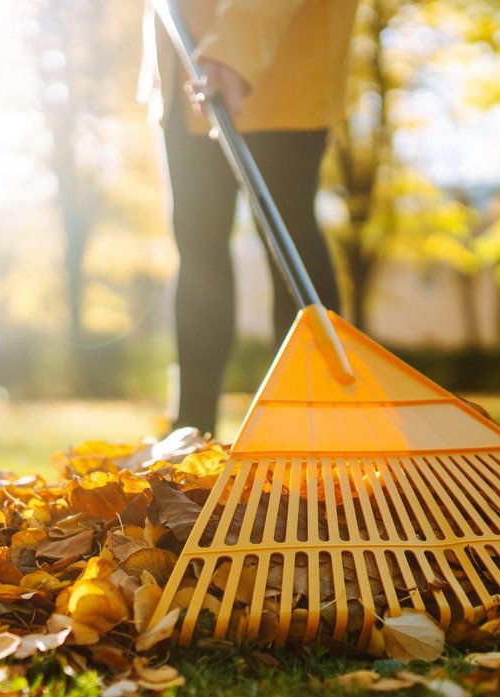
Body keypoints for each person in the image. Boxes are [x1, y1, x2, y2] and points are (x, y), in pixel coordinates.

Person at [143, 0, 361, 436]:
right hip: (182, 63)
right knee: (197, 249)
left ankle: (315, 427)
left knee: (290, 236)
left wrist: (235, 45)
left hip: (283, 59)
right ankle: (191, 430)